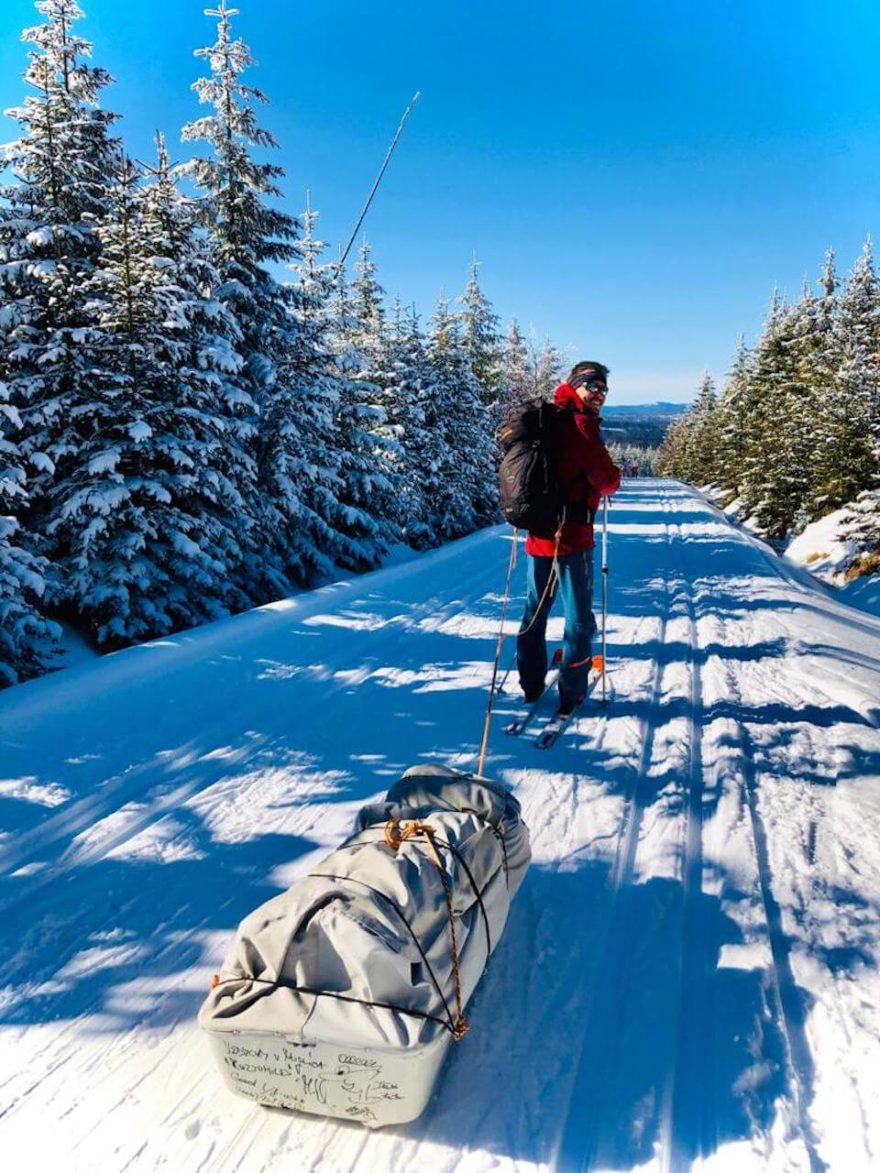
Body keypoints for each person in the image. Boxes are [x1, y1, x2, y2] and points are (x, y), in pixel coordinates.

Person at [516, 360, 621, 715]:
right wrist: (613, 475)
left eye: (604, 388)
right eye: (592, 386)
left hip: (539, 535)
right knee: (578, 619)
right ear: (575, 385)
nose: (599, 394)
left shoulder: (551, 418)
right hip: (572, 538)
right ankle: (571, 692)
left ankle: (530, 684)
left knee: (535, 611)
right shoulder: (580, 425)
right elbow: (607, 480)